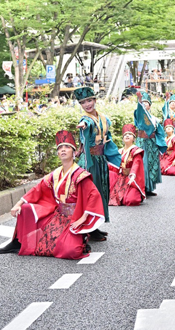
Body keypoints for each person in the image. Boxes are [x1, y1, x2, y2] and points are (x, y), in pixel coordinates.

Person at [0, 131, 104, 259]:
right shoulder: (55, 174)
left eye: (67, 147)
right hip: (57, 215)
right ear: (58, 153)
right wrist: (18, 204)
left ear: (74, 153)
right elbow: (37, 190)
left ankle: (82, 238)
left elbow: (93, 195)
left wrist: (83, 218)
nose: (63, 150)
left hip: (74, 218)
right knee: (25, 209)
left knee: (71, 251)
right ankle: (18, 243)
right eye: (60, 148)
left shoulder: (81, 175)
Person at [75, 86, 121, 241]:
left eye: (89, 100)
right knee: (90, 194)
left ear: (95, 100)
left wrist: (116, 159)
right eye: (83, 102)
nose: (87, 104)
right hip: (89, 162)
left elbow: (109, 140)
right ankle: (88, 228)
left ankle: (95, 226)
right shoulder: (85, 119)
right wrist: (84, 127)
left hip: (100, 160)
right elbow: (86, 124)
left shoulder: (104, 118)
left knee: (101, 193)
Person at [134, 91, 167, 195]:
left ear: (150, 105)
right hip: (142, 142)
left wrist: (160, 143)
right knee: (143, 163)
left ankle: (150, 188)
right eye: (142, 102)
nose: (144, 104)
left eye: (146, 102)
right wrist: (139, 101)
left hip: (152, 143)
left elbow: (160, 132)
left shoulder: (154, 119)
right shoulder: (139, 115)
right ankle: (142, 187)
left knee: (152, 164)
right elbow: (140, 110)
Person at [109, 124, 146, 206]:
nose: (127, 136)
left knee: (131, 200)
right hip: (121, 178)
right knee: (114, 198)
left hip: (132, 179)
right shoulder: (119, 151)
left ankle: (137, 192)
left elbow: (137, 164)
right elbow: (115, 166)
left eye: (130, 134)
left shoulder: (136, 151)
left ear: (134, 138)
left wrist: (132, 175)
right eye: (125, 134)